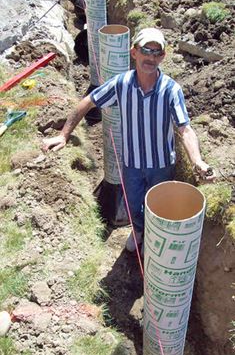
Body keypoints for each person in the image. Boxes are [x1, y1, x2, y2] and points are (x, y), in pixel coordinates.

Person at [42, 27, 215, 254]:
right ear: (134, 52)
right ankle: (139, 232)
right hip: (131, 162)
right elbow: (88, 102)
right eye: (146, 50)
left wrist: (197, 161)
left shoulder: (171, 90)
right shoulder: (121, 84)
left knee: (158, 208)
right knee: (133, 205)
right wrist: (64, 135)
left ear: (162, 57)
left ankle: (153, 242)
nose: (151, 57)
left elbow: (185, 129)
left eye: (156, 52)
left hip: (161, 165)